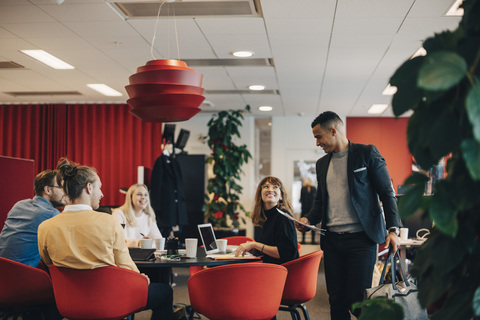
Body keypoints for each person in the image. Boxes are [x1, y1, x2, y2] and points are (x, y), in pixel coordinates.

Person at [296, 111, 402, 320]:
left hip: (361, 241)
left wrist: (393, 229)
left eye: (319, 137)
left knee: (359, 301)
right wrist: (308, 219)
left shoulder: (367, 154)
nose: (317, 143)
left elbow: (387, 193)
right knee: (336, 300)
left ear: (333, 131)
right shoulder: (322, 164)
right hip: (332, 240)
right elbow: (320, 202)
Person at [38, 158, 173, 320]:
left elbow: (48, 263)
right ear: (89, 188)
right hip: (109, 301)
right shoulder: (108, 222)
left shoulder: (45, 227)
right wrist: (142, 278)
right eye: (99, 188)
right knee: (165, 292)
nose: (102, 194)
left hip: (67, 302)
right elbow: (126, 266)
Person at [0, 169, 66, 268]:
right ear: (47, 190)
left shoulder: (20, 204)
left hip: (3, 269)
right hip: (23, 273)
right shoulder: (51, 214)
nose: (65, 193)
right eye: (62, 187)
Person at [235, 176, 299, 264]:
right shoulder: (268, 217)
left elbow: (285, 253)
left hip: (282, 272)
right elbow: (271, 247)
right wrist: (255, 250)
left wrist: (255, 244)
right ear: (260, 194)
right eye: (266, 186)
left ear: (281, 196)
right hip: (271, 268)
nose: (270, 190)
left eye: (275, 187)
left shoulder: (283, 216)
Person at [299, 177, 317, 244]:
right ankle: (303, 240)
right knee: (303, 224)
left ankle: (313, 240)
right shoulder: (303, 189)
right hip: (304, 209)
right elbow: (301, 199)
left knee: (313, 225)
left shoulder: (314, 188)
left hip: (312, 209)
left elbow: (316, 199)